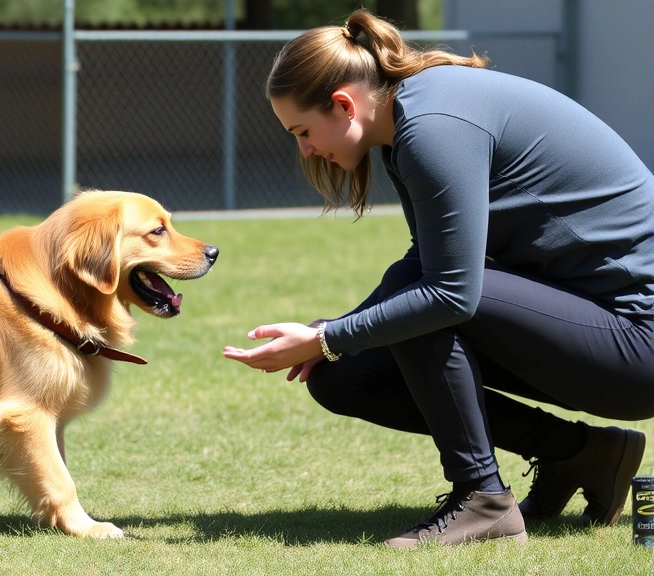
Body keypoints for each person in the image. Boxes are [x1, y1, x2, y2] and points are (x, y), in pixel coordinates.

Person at [223, 8, 654, 547]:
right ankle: (583, 453)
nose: (305, 149)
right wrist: (333, 337)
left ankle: (483, 501)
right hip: (596, 322)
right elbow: (426, 261)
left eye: (303, 131)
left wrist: (329, 336)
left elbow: (447, 291)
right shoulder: (414, 113)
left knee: (418, 300)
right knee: (342, 375)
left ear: (343, 104)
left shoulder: (432, 127)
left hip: (639, 342)